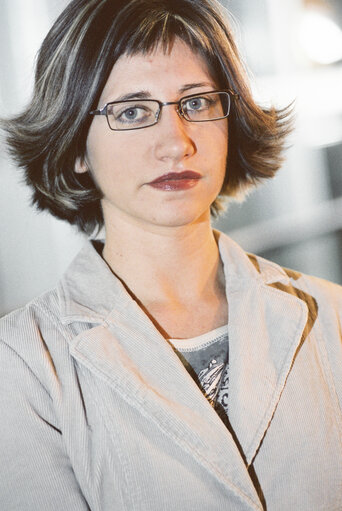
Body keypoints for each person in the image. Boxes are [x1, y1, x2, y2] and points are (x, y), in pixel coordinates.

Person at [1, 0, 341, 509]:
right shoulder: (22, 364)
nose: (175, 143)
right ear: (76, 145)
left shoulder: (332, 315)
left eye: (197, 103)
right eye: (133, 111)